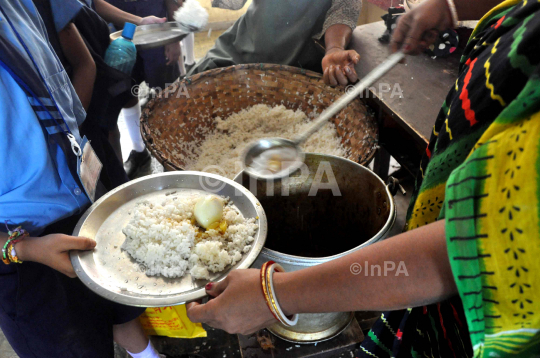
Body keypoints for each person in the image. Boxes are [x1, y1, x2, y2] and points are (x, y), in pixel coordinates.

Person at [186, 0, 540, 357]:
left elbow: (475, 243)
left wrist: (274, 295)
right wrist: (450, 5)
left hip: (481, 319)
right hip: (430, 291)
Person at [0, 1, 163, 357]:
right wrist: (24, 248)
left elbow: (82, 64)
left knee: (119, 297)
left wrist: (79, 133)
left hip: (85, 193)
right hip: (25, 244)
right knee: (73, 340)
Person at [92, 0, 182, 178]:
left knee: (167, 96)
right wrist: (138, 22)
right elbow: (96, 3)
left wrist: (174, 37)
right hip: (119, 28)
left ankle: (173, 157)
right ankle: (139, 151)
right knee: (125, 93)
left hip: (157, 26)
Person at [188, 0, 363, 87]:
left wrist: (334, 48)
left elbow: (343, 10)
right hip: (242, 45)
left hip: (296, 65)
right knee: (189, 87)